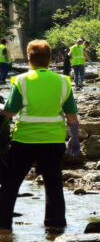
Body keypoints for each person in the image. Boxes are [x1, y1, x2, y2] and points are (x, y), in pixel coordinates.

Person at [0, 39, 80, 231]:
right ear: (49, 58)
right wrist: (74, 139)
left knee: (11, 185)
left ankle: (3, 226)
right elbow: (71, 116)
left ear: (29, 59)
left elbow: (9, 112)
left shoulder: (20, 81)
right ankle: (55, 227)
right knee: (53, 185)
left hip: (24, 140)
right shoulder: (63, 82)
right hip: (53, 141)